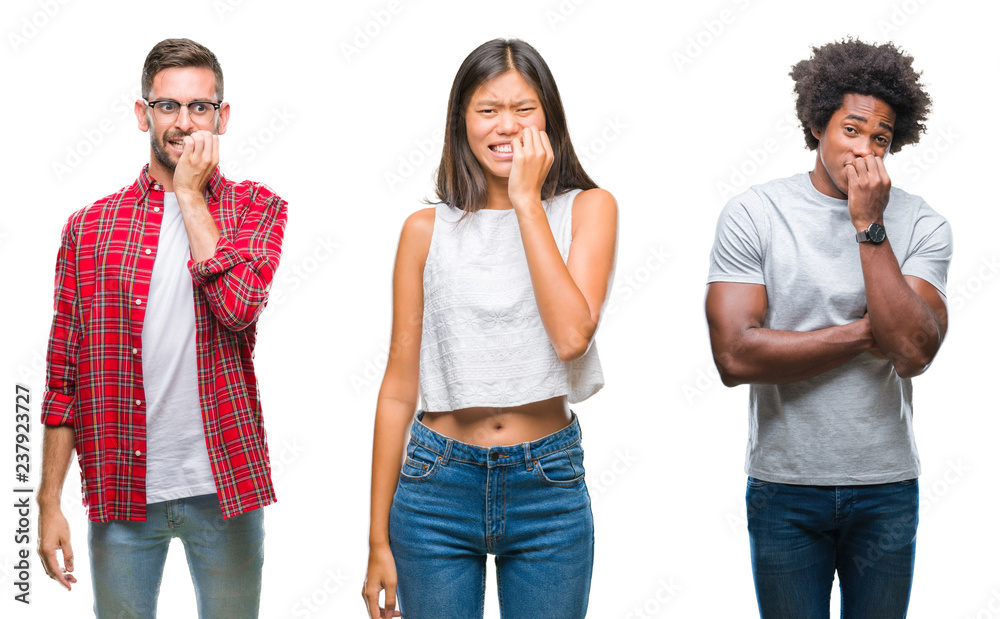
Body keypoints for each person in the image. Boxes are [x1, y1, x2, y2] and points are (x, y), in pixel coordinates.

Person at [361, 38, 617, 619]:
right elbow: (399, 385)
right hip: (435, 486)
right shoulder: (425, 230)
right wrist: (377, 537)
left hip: (546, 484)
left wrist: (527, 200)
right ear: (462, 122)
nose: (507, 126)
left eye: (524, 108)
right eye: (488, 110)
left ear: (547, 116)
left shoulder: (588, 209)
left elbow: (572, 336)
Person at [36, 38, 287, 618]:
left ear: (222, 117)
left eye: (200, 107)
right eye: (168, 106)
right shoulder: (89, 228)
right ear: (143, 114)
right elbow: (62, 377)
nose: (183, 122)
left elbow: (238, 307)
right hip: (122, 491)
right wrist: (46, 501)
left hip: (226, 487)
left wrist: (192, 197)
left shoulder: (256, 209)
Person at [705, 38, 951, 618]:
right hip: (784, 488)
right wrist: (870, 333)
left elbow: (914, 351)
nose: (865, 151)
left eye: (881, 140)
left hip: (886, 486)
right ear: (819, 124)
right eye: (852, 130)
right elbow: (735, 358)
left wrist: (868, 223)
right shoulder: (755, 214)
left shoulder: (921, 222)